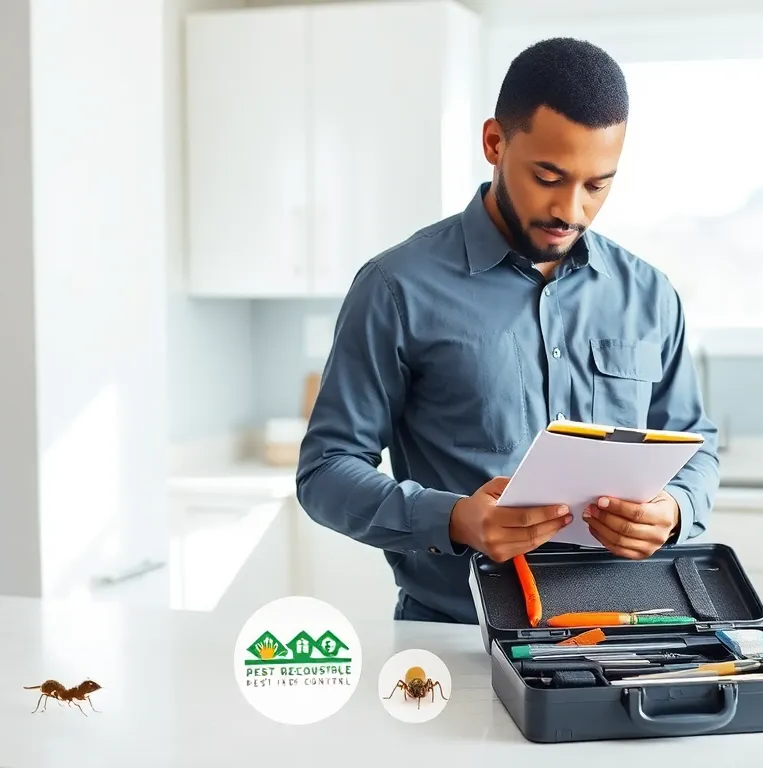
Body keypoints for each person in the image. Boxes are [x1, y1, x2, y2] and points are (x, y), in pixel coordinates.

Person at [295, 37, 719, 625]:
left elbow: (694, 441)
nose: (570, 210)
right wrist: (454, 518)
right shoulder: (395, 287)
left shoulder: (649, 294)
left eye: (597, 185)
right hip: (454, 638)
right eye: (548, 176)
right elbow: (325, 471)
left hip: (621, 635)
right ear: (495, 142)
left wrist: (674, 507)